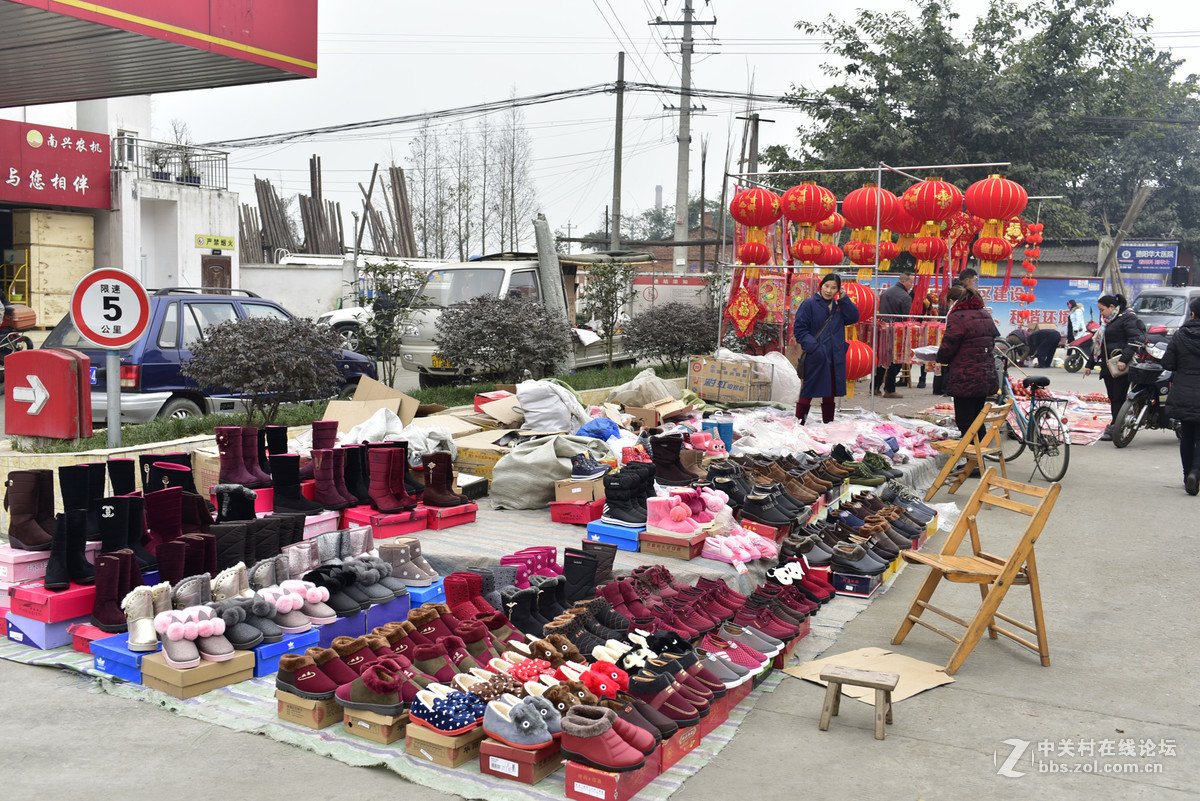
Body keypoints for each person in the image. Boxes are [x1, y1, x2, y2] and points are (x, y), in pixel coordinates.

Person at [793, 273, 860, 425]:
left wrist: (844, 299)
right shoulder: (809, 304)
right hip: (816, 355)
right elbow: (800, 329)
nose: (829, 290)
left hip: (835, 355)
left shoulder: (839, 306)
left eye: (833, 288)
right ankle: (799, 423)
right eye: (827, 286)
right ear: (821, 286)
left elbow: (853, 317)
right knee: (808, 390)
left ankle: (828, 425)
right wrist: (815, 348)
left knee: (831, 391)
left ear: (838, 290)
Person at [936, 285, 999, 438]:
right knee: (977, 419)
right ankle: (978, 457)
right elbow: (992, 339)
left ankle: (974, 458)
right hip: (985, 374)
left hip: (965, 376)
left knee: (965, 421)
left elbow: (948, 345)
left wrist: (939, 358)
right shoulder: (985, 314)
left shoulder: (958, 317)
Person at [1084, 293, 1146, 442]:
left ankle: (1115, 427)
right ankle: (1116, 424)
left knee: (1118, 396)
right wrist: (1089, 365)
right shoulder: (1107, 322)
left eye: (1102, 309)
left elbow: (1135, 340)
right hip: (1108, 365)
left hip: (1119, 365)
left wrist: (1124, 359)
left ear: (1112, 307)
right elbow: (1099, 344)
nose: (1101, 313)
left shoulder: (1127, 318)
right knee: (1113, 397)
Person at [1162, 297, 1200, 495]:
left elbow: (1168, 363)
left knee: (1187, 435)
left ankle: (1187, 476)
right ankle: (1196, 471)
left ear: (1192, 314)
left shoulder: (1180, 335)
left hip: (1184, 390)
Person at [873, 271, 914, 398]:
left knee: (882, 359)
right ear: (904, 281)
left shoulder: (886, 292)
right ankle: (890, 389)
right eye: (910, 282)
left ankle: (874, 387)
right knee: (896, 360)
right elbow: (906, 317)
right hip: (897, 331)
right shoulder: (905, 296)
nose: (911, 285)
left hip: (883, 328)